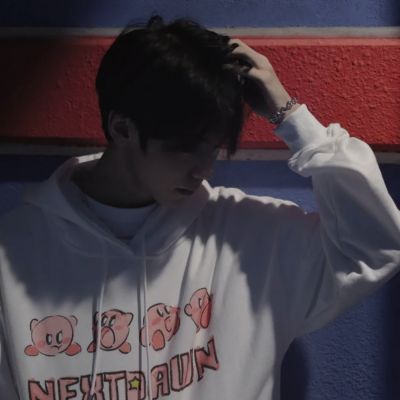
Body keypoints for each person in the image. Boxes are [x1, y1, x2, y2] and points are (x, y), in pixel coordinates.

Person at [0, 14, 399, 400]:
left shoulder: (251, 240)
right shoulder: (14, 253)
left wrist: (291, 117)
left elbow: (376, 246)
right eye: (185, 148)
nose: (203, 169)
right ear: (122, 128)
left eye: (212, 149)